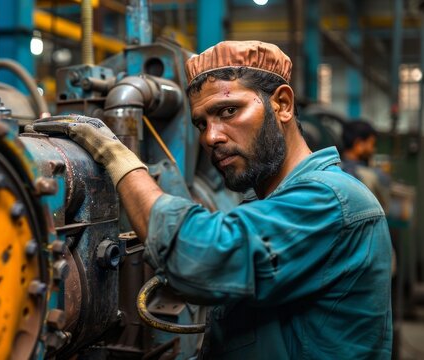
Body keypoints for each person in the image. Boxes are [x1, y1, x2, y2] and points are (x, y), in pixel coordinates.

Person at [34, 41, 392, 359]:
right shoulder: (261, 202)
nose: (212, 137)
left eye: (228, 111)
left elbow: (202, 257)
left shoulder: (333, 201)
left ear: (282, 104)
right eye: (201, 123)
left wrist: (117, 158)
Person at [341, 120, 391, 212]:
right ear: (359, 144)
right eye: (372, 144)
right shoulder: (374, 176)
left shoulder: (333, 169)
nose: (373, 150)